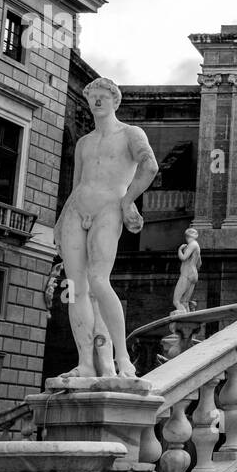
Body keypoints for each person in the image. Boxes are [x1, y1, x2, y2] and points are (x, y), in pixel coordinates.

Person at [55, 77, 158, 378]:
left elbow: (150, 165)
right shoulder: (84, 143)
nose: (97, 101)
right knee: (76, 289)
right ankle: (86, 364)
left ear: (115, 101)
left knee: (99, 281)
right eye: (92, 97)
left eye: (103, 96)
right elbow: (76, 186)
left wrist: (127, 201)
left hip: (108, 208)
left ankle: (123, 359)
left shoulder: (130, 133)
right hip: (77, 210)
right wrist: (61, 221)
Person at [173, 228, 201, 314]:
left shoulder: (192, 245)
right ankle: (187, 317)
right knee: (184, 302)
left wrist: (180, 250)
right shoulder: (197, 246)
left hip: (187, 273)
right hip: (193, 274)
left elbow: (183, 257)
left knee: (176, 301)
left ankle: (181, 314)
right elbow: (199, 264)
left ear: (187, 236)